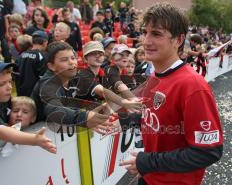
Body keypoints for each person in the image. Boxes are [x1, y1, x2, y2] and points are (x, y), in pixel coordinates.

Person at [119, 3, 223, 185]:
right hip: (148, 177)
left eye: (157, 34)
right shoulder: (155, 76)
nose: (146, 41)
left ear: (178, 40)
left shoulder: (193, 86)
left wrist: (146, 162)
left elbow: (208, 151)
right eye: (145, 32)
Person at [31, 41, 113, 133]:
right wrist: (84, 117)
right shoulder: (48, 84)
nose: (71, 62)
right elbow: (54, 110)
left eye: (73, 58)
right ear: (51, 66)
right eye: (64, 60)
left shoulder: (73, 75)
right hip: (36, 134)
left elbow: (96, 87)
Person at [0, 59, 56, 154]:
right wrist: (34, 139)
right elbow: (1, 131)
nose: (9, 87)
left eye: (10, 81)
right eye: (2, 84)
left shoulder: (3, 99)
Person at [15, 30, 48, 97]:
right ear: (45, 43)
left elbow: (15, 74)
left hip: (20, 93)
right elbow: (43, 77)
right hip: (34, 95)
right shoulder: (42, 56)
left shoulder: (21, 55)